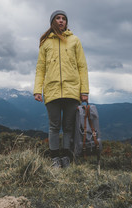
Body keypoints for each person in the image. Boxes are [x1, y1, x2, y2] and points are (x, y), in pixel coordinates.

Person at [34, 10, 89, 168]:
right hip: (52, 91)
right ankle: (54, 159)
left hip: (72, 90)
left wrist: (84, 91)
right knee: (54, 126)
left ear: (66, 22)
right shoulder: (46, 43)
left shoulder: (75, 41)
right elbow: (40, 69)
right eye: (57, 18)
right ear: (52, 22)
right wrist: (37, 90)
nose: (61, 21)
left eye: (63, 18)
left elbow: (82, 67)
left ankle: (66, 157)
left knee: (69, 127)